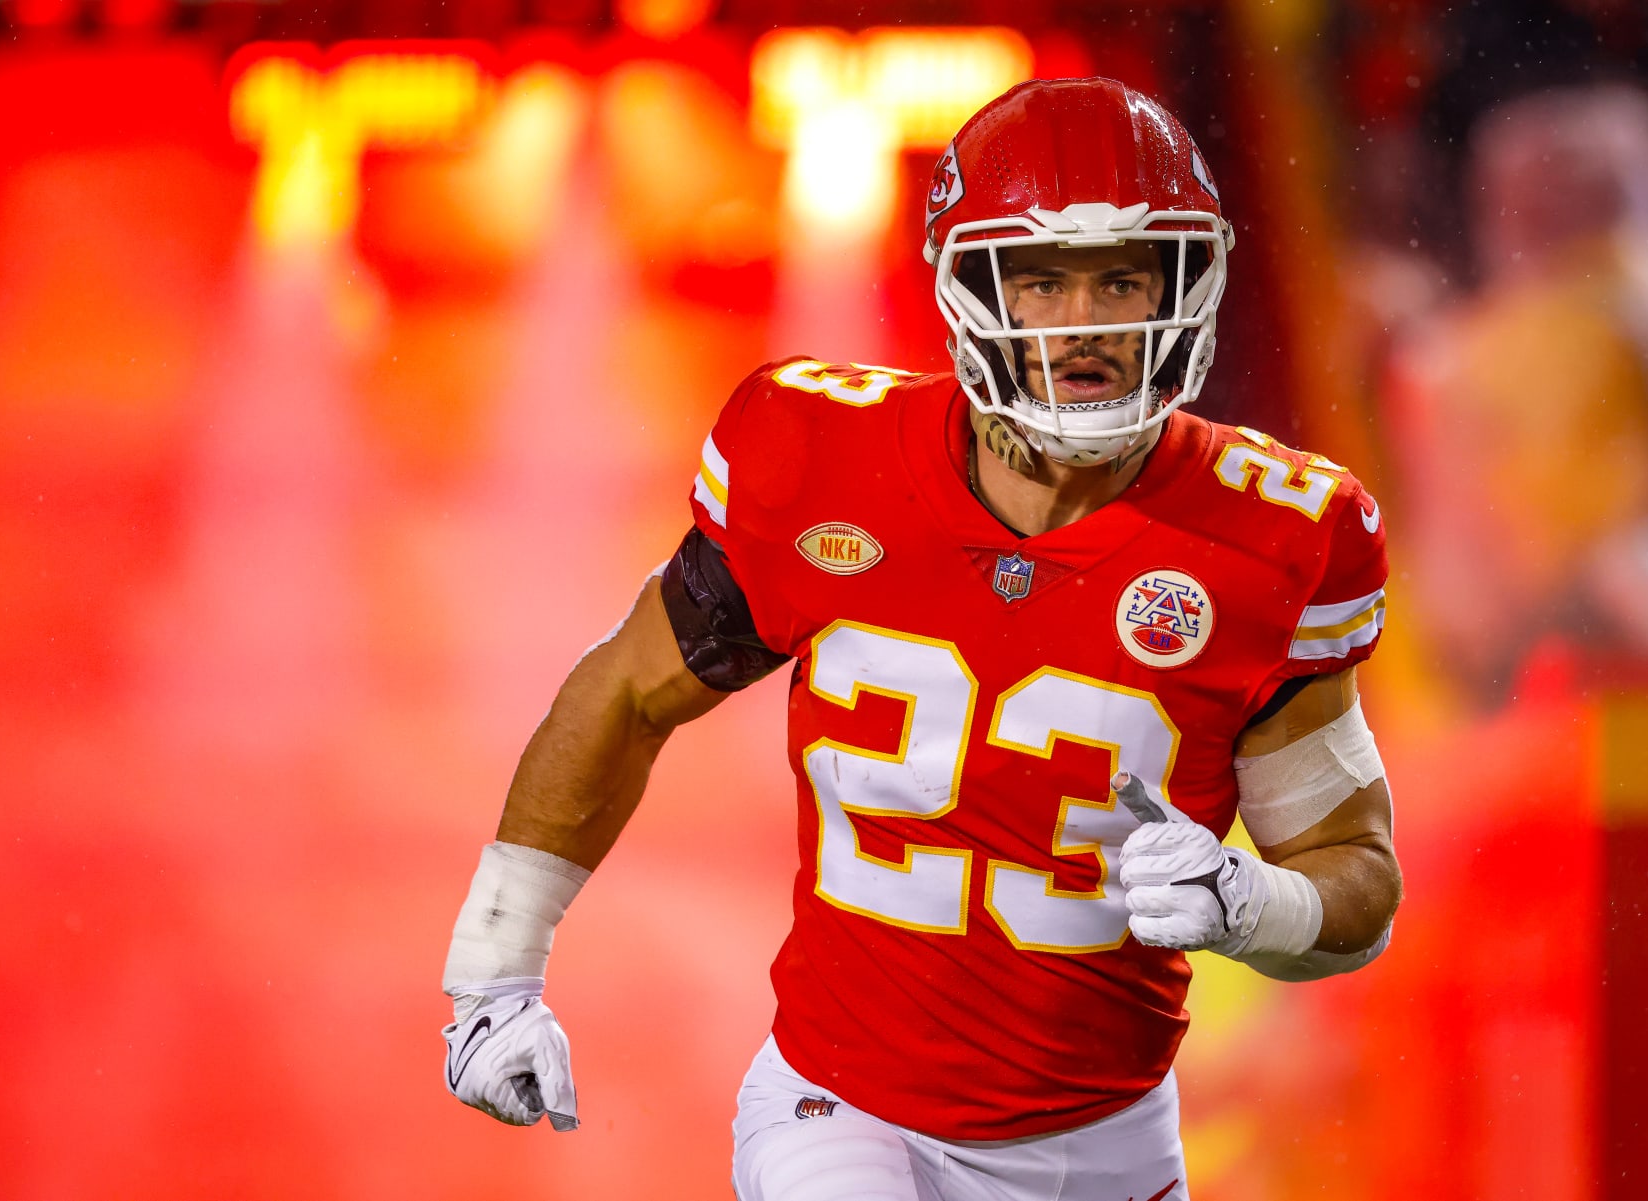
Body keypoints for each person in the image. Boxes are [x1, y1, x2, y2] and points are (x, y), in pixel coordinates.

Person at [439, 77, 1403, 1200]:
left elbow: (1356, 875)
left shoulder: (1275, 535)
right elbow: (628, 692)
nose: (1085, 325)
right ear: (966, 289)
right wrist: (493, 976)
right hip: (846, 1110)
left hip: (1112, 1134)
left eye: (1124, 278)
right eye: (1041, 281)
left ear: (1188, 281)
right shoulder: (818, 456)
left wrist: (1256, 904)